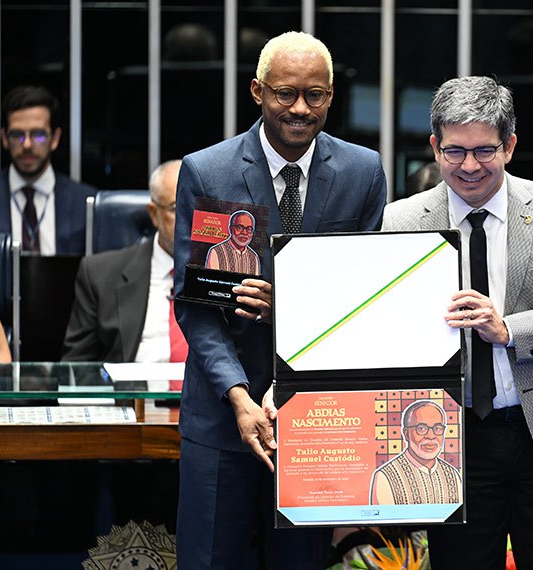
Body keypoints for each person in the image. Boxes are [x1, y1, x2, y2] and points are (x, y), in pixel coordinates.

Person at [173, 31, 386, 570]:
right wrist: (240, 397)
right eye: (284, 93)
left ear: (331, 95)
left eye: (315, 95)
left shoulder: (363, 173)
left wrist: (288, 305)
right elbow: (198, 306)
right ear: (257, 91)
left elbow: (367, 301)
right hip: (225, 416)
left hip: (316, 419)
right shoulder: (212, 172)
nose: (299, 108)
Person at [381, 76, 533, 569]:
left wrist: (509, 329)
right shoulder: (402, 221)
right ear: (434, 146)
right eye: (454, 151)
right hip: (452, 438)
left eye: (484, 150)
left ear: (510, 145)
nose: (468, 166)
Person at [61, 160, 185, 362]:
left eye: (196, 205)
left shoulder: (225, 272)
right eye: (176, 207)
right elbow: (77, 367)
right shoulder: (99, 276)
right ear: (154, 214)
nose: (188, 218)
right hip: (131, 393)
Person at [0, 85, 96, 255]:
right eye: (17, 135)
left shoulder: (86, 203)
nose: (26, 145)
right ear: (4, 139)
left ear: (55, 139)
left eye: (38, 134)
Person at [369, 400, 462, 505]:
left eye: (437, 428)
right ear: (406, 434)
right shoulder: (385, 476)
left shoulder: (453, 475)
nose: (431, 436)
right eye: (421, 428)